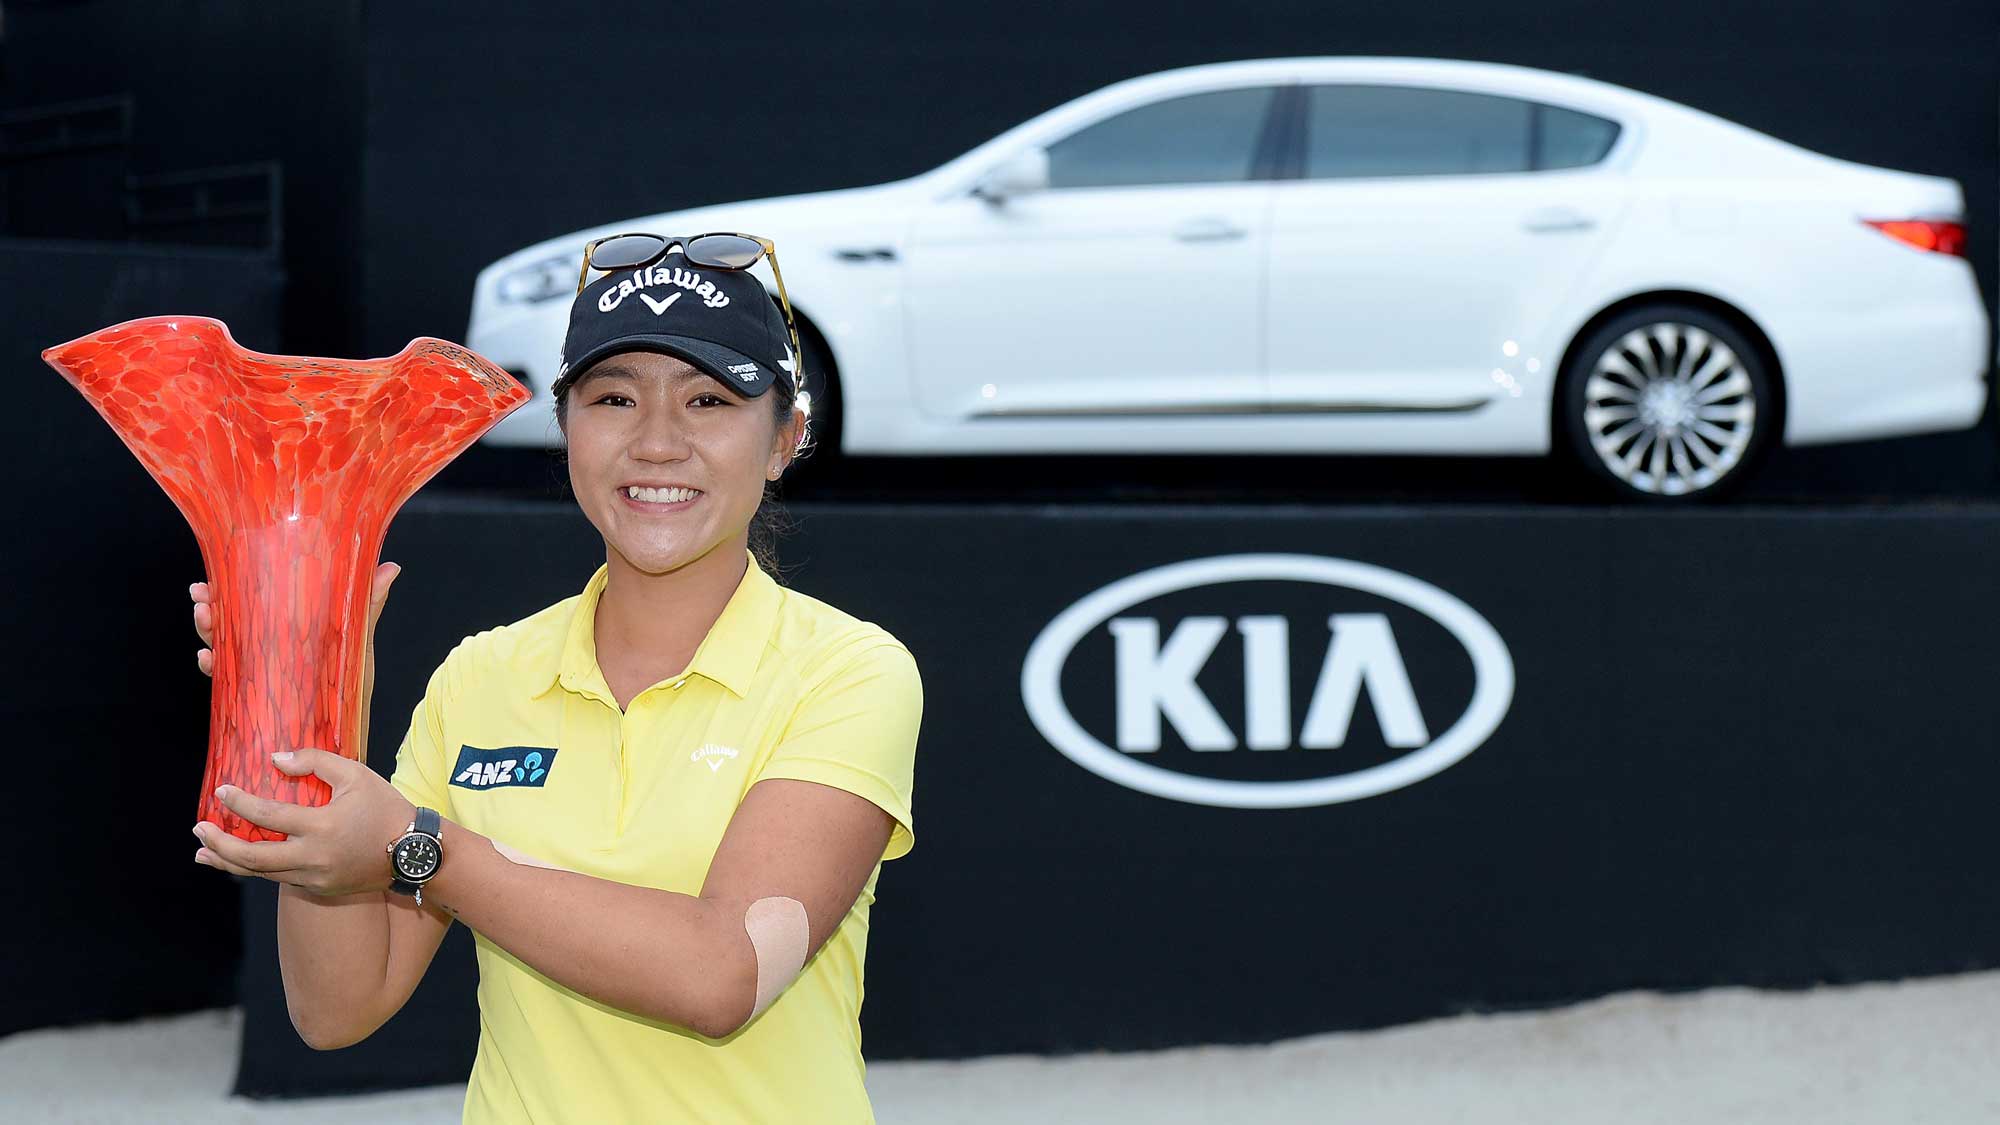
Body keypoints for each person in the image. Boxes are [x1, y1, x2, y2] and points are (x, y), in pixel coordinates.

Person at [186, 237, 923, 1124]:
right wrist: (310, 693)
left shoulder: (851, 670)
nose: (657, 441)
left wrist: (421, 847)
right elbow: (338, 1008)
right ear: (564, 426)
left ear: (783, 440)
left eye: (708, 400)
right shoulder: (482, 675)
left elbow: (723, 972)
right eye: (613, 398)